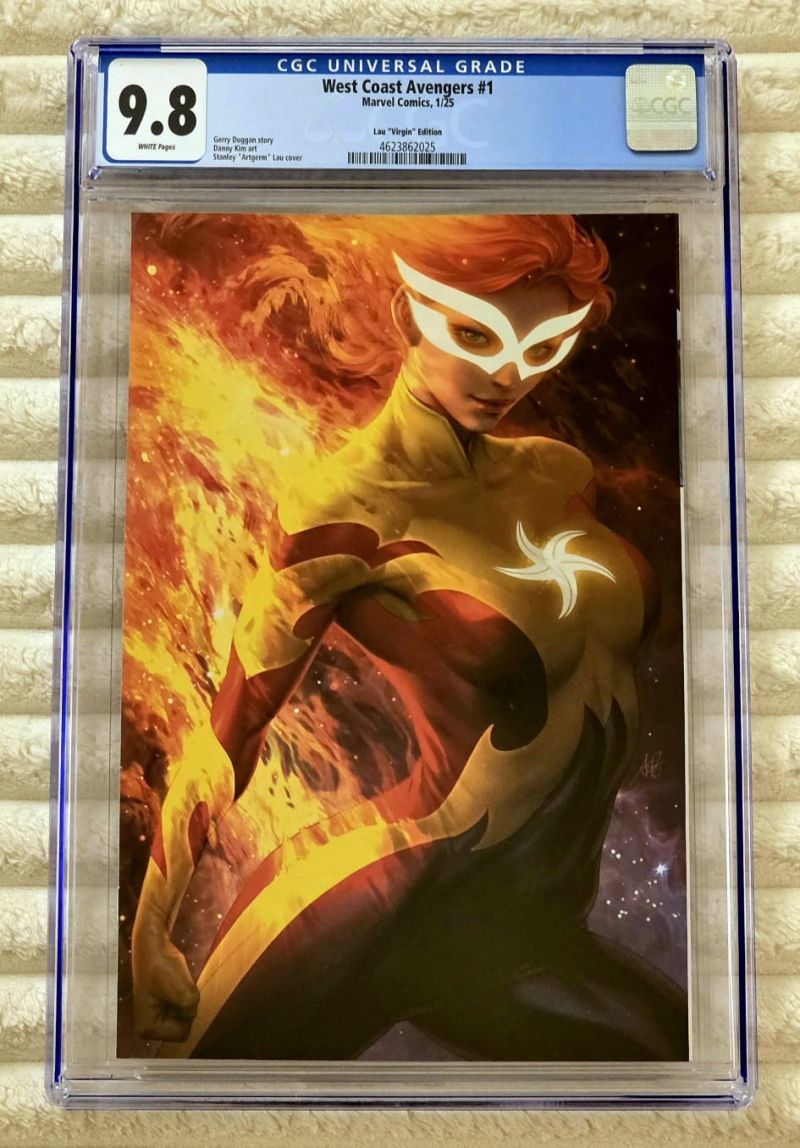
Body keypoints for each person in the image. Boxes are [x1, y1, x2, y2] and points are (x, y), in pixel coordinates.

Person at [131, 214, 688, 1061]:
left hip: (518, 932)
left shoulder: (557, 476)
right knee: (188, 1110)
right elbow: (230, 733)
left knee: (675, 1059)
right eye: (476, 335)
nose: (507, 374)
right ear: (407, 315)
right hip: (368, 909)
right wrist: (150, 937)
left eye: (542, 349)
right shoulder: (346, 511)